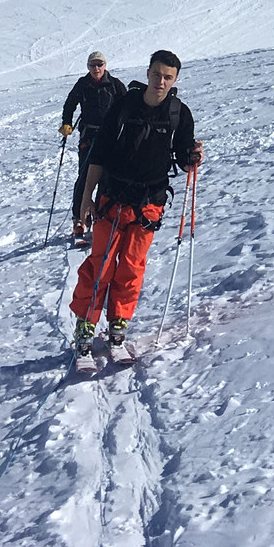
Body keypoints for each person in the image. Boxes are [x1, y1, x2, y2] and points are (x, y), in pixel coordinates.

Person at [70, 48, 205, 359]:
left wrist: (194, 157)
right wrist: (86, 198)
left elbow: (185, 158)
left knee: (131, 267)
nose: (160, 81)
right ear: (147, 73)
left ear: (175, 80)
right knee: (101, 264)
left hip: (150, 203)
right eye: (156, 74)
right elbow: (99, 155)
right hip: (112, 198)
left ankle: (119, 325)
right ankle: (85, 326)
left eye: (167, 77)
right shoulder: (124, 105)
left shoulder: (178, 112)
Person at [59, 52, 125, 241]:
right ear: (88, 66)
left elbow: (128, 105)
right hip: (88, 136)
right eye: (92, 65)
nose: (96, 69)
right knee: (85, 177)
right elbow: (69, 104)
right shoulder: (83, 84)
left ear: (105, 65)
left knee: (106, 177)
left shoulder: (115, 84)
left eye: (99, 64)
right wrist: (67, 123)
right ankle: (79, 219)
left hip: (110, 138)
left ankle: (100, 217)